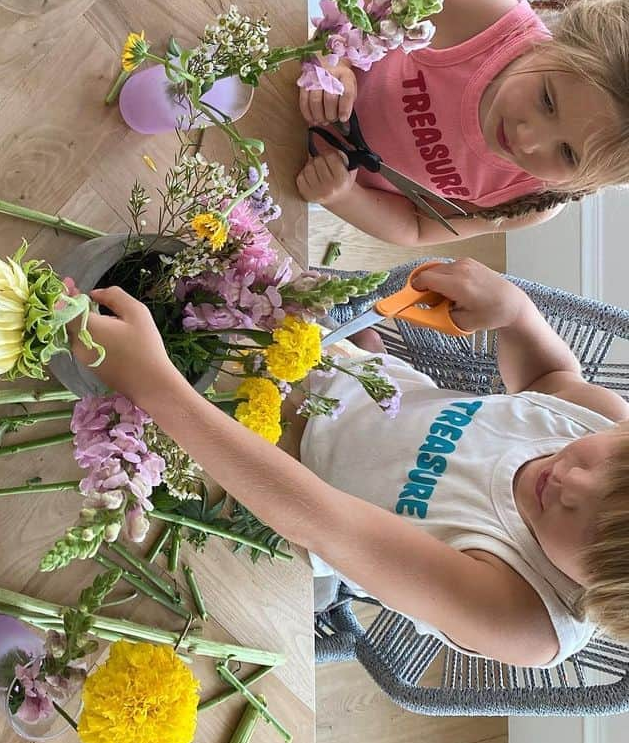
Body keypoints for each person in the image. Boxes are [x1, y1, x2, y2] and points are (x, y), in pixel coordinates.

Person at [71, 258, 629, 668]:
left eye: (590, 524)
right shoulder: (601, 421)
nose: (572, 480)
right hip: (340, 377)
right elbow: (549, 384)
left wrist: (156, 385)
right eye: (612, 461)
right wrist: (519, 319)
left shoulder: (523, 619)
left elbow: (327, 522)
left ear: (599, 596)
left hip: (275, 494)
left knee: (89, 451)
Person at [296, 0, 629, 246]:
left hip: (291, 176)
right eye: (547, 101)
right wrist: (332, 60)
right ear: (554, 41)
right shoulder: (488, 17)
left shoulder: (531, 201)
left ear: (587, 182)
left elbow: (416, 227)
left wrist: (343, 197)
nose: (527, 139)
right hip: (284, 76)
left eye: (568, 154)